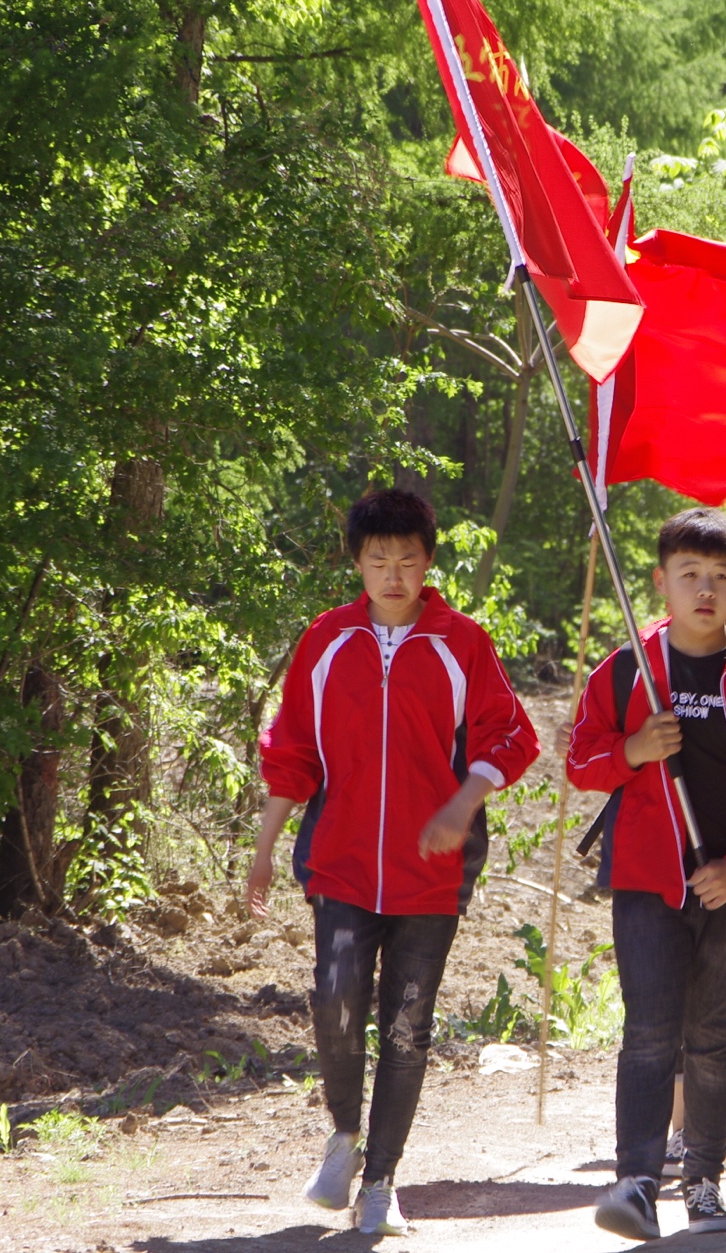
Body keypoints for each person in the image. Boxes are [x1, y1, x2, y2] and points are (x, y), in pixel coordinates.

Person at [252, 488, 540, 1234]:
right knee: (336, 1001)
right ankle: (344, 1138)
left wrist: (464, 801)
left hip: (431, 873)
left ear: (428, 563)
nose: (392, 574)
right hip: (341, 863)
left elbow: (510, 736)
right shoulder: (326, 639)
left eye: (407, 560)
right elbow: (293, 748)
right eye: (378, 560)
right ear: (357, 563)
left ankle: (382, 1181)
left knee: (408, 1027)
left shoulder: (461, 642)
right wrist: (263, 847)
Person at [571, 507, 726, 1240]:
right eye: (690, 576)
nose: (705, 591)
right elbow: (582, 762)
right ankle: (637, 1182)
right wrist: (634, 752)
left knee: (714, 1037)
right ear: (661, 582)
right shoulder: (626, 671)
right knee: (650, 1031)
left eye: (720, 577)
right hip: (648, 882)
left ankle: (705, 1182)